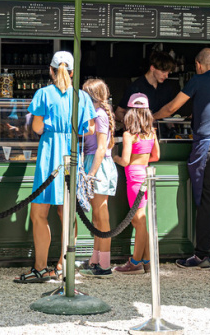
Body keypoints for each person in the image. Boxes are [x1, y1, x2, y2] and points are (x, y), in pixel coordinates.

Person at [14, 51, 96, 284]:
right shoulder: (82, 97)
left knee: (39, 213)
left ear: (51, 71)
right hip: (71, 154)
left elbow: (37, 128)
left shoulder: (43, 94)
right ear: (72, 73)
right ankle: (63, 265)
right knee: (67, 213)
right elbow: (88, 129)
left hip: (49, 153)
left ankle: (40, 268)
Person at [158, 47, 210, 269]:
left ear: (198, 65)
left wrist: (149, 117)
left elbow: (171, 108)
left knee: (205, 202)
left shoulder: (198, 80)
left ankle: (201, 255)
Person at [112, 93, 160, 274]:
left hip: (133, 178)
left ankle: (135, 262)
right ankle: (148, 261)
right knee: (140, 220)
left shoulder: (128, 135)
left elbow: (124, 161)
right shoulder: (151, 133)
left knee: (138, 221)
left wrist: (113, 156)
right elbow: (156, 156)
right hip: (145, 175)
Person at [79, 78, 118, 278]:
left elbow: (102, 148)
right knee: (96, 217)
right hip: (93, 164)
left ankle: (104, 263)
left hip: (99, 167)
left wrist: (91, 174)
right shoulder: (96, 114)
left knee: (102, 218)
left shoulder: (100, 115)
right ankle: (96, 259)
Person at [115, 50, 178, 123]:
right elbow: (118, 112)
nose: (166, 76)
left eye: (168, 72)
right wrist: (133, 124)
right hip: (141, 133)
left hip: (162, 133)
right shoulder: (135, 87)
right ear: (152, 68)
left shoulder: (167, 88)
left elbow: (167, 115)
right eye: (163, 72)